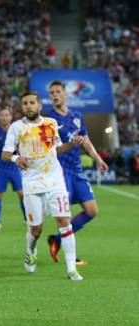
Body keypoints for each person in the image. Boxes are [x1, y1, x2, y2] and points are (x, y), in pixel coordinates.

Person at [2, 92, 85, 281]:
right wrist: (16, 158)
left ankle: (72, 268)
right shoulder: (17, 127)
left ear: (39, 105)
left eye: (32, 103)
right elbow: (5, 153)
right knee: (36, 229)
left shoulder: (50, 124)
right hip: (32, 184)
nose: (28, 106)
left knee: (64, 222)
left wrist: (72, 144)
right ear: (22, 107)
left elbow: (56, 149)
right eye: (25, 103)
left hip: (55, 180)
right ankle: (30, 252)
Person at [46, 81, 108, 266]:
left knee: (91, 211)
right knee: (64, 216)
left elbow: (85, 140)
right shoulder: (49, 121)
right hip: (61, 172)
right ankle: (70, 257)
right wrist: (71, 144)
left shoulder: (77, 116)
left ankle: (56, 239)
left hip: (77, 170)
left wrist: (97, 158)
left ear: (65, 94)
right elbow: (50, 151)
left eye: (58, 92)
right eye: (52, 93)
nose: (55, 95)